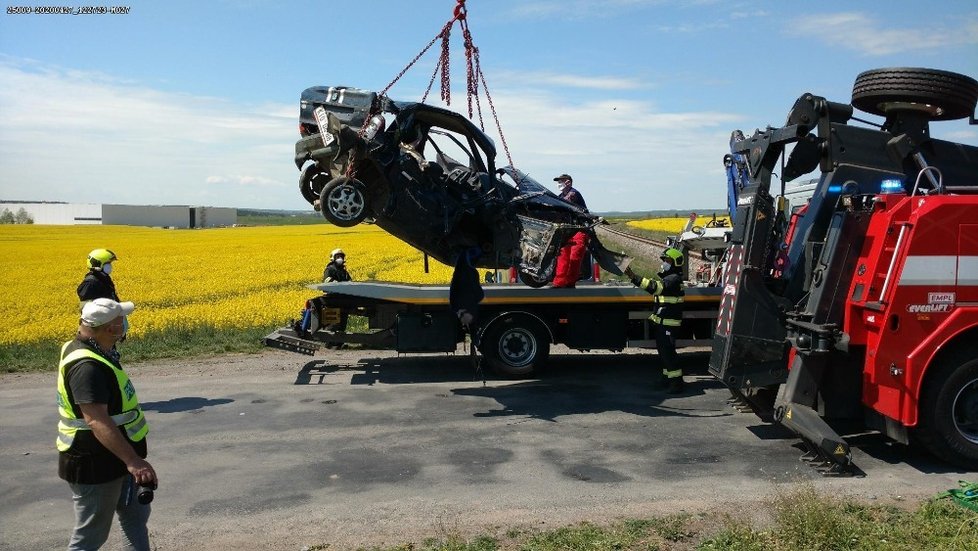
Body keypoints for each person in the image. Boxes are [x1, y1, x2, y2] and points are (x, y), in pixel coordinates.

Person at [57, 298, 157, 551]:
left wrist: (130, 460)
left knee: (135, 518)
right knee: (90, 536)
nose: (124, 323)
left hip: (118, 458)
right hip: (95, 463)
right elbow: (95, 419)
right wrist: (133, 461)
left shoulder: (95, 349)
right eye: (120, 319)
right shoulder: (87, 367)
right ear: (111, 329)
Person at [624, 247, 687, 394]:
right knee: (664, 353)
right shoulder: (670, 277)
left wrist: (633, 276)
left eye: (667, 260)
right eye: (664, 260)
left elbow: (655, 288)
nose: (664, 263)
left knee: (668, 354)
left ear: (676, 263)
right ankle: (667, 378)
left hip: (668, 325)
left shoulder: (673, 279)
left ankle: (676, 383)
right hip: (664, 323)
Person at [551, 174, 589, 288]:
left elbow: (563, 204)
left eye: (561, 181)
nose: (559, 184)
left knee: (574, 257)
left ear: (568, 182)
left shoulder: (573, 193)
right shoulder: (560, 196)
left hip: (579, 229)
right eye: (558, 181)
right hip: (567, 230)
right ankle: (559, 282)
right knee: (562, 256)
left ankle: (570, 282)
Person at [322, 248, 353, 345]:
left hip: (343, 301)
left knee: (342, 324)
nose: (340, 258)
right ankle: (329, 345)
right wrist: (339, 285)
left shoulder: (344, 271)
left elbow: (350, 282)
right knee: (332, 324)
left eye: (341, 256)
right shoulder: (329, 269)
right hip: (332, 301)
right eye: (338, 256)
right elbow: (327, 281)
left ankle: (339, 343)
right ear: (333, 258)